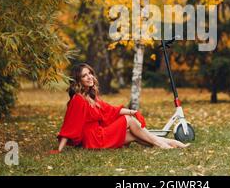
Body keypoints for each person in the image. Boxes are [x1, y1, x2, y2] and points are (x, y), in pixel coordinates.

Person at [50, 63, 190, 153]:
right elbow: (69, 126)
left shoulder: (91, 97)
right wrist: (59, 149)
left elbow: (111, 110)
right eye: (84, 76)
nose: (89, 77)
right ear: (78, 80)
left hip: (100, 134)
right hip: (94, 139)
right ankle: (163, 145)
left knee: (136, 135)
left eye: (90, 73)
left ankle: (172, 143)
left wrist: (133, 111)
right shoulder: (78, 100)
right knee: (128, 120)